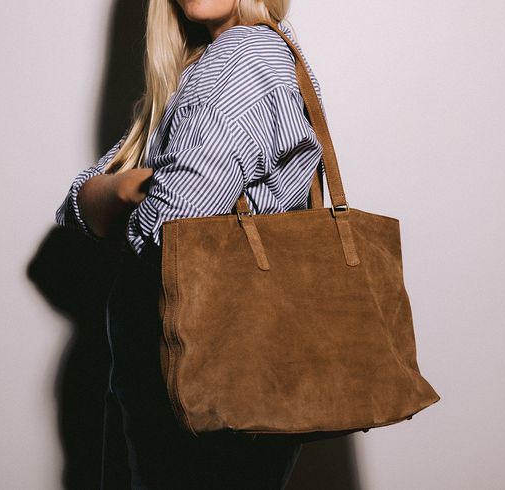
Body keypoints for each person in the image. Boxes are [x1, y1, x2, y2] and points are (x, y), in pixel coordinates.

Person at [55, 1, 328, 488]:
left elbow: (175, 219)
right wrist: (123, 190)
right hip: (195, 365)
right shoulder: (197, 65)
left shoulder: (245, 52)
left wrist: (122, 201)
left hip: (199, 363)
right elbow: (75, 210)